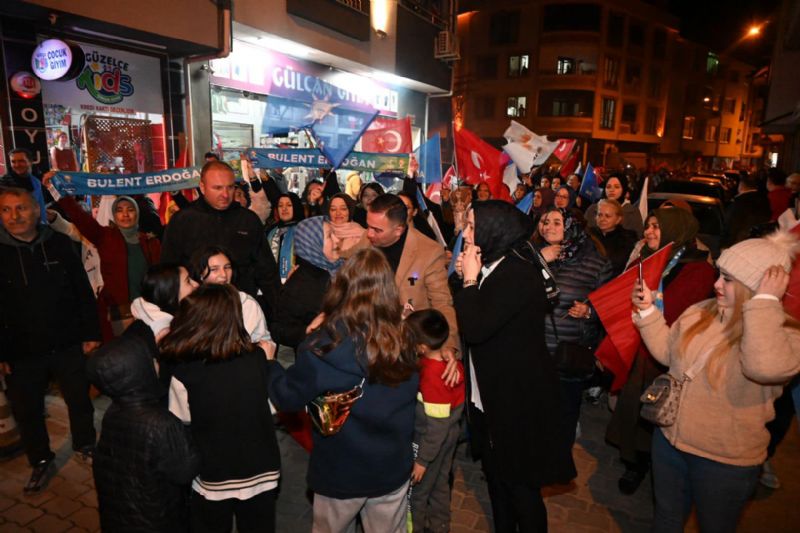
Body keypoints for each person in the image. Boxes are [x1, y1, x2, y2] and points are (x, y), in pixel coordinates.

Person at [631, 230, 800, 532]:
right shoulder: (701, 312)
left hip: (724, 463)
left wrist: (764, 303)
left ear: (755, 286)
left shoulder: (785, 335)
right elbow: (668, 354)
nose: (717, 284)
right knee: (666, 520)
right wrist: (647, 312)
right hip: (669, 443)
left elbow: (763, 368)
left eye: (729, 280)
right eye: (720, 274)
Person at [266, 248, 419, 533]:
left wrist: (270, 364)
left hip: (341, 471)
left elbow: (286, 397)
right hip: (391, 467)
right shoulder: (404, 340)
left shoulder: (323, 347)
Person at [454, 200, 568, 531]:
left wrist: (469, 281)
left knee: (522, 490)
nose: (465, 233)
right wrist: (465, 278)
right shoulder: (492, 264)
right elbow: (471, 311)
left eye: (472, 226)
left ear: (494, 231)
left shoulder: (518, 275)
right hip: (488, 398)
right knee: (496, 482)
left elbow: (476, 327)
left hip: (516, 403)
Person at [605, 207, 716, 495]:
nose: (649, 232)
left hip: (672, 355)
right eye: (648, 226)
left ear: (675, 229)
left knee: (660, 411)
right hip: (639, 348)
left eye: (656, 226)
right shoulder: (645, 259)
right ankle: (635, 462)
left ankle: (657, 466)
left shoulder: (699, 270)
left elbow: (691, 316)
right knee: (635, 409)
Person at [0, 187, 99, 493]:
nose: (14, 216)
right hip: (20, 352)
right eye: (6, 210)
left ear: (36, 210)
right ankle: (40, 460)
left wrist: (90, 333)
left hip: (66, 343)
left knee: (79, 400)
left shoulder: (59, 244)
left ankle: (85, 444)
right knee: (27, 410)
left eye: (21, 208)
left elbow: (83, 290)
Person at [164, 284, 281, 533]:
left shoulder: (184, 370)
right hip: (261, 470)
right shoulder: (258, 359)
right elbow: (272, 408)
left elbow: (181, 420)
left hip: (213, 474)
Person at [87, 320, 200, 532]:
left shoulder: (113, 412)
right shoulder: (161, 423)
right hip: (159, 520)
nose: (157, 361)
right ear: (139, 372)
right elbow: (185, 471)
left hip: (122, 518)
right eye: (150, 360)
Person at [534, 206, 613, 481]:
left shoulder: (595, 263)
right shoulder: (534, 254)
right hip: (533, 348)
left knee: (564, 413)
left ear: (572, 227)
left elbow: (609, 307)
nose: (548, 227)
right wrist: (538, 261)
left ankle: (555, 465)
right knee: (534, 410)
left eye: (557, 222)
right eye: (546, 221)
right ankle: (533, 459)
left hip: (567, 354)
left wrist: (590, 312)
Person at [160, 160, 280, 322]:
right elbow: (168, 272)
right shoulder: (183, 220)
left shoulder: (248, 220)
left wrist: (280, 313)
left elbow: (267, 272)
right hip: (196, 313)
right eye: (217, 188)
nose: (225, 194)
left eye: (230, 187)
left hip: (241, 312)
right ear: (202, 187)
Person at [45, 173, 162, 340]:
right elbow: (79, 217)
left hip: (147, 308)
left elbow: (159, 275)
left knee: (149, 347)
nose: (125, 214)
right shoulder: (105, 237)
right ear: (114, 215)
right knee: (121, 351)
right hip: (118, 309)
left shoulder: (151, 242)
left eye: (130, 210)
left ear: (137, 214)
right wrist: (55, 189)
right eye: (119, 210)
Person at [359, 194, 460, 355]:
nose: (369, 234)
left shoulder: (429, 252)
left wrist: (448, 345)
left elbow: (442, 302)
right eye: (368, 226)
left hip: (408, 345)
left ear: (398, 230)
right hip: (368, 341)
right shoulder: (367, 241)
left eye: (377, 230)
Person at [406, 309, 465, 533]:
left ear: (421, 347)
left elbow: (436, 426)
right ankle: (440, 526)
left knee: (417, 494)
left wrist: (422, 460)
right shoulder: (451, 364)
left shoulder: (432, 375)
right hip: (450, 435)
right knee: (440, 485)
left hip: (429, 441)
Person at [271, 216, 343, 349]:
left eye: (335, 233)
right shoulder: (299, 286)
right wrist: (307, 330)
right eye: (329, 236)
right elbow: (279, 330)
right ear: (312, 243)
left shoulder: (343, 268)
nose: (337, 240)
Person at [189, 245, 274, 346]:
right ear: (200, 274)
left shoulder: (244, 303)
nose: (224, 274)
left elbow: (235, 345)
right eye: (214, 269)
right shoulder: (192, 301)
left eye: (227, 267)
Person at [589, 199, 639, 276]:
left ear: (618, 219)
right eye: (599, 215)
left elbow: (618, 264)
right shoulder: (587, 234)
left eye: (607, 216)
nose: (602, 219)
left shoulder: (628, 238)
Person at [721, 171, 771, 248]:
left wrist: (725, 245)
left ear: (741, 186)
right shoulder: (764, 200)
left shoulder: (739, 202)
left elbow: (730, 225)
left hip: (738, 243)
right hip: (757, 243)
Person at [1, 148, 48, 223]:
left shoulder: (36, 181)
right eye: (13, 162)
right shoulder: (3, 184)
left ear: (30, 162)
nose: (17, 165)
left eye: (21, 161)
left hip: (34, 225)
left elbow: (41, 207)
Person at [265, 192, 304, 283]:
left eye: (289, 205)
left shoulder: (304, 230)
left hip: (297, 282)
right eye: (280, 205)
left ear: (296, 207)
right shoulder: (270, 231)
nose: (284, 209)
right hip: (271, 283)